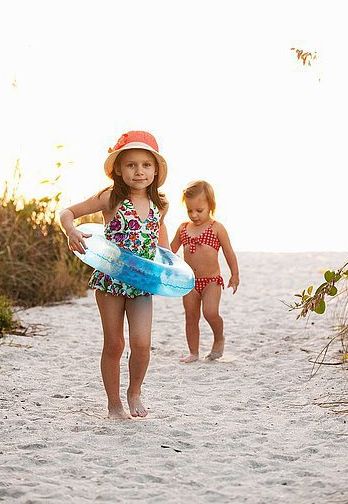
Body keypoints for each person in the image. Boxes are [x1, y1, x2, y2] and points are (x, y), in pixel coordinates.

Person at [59, 131, 169, 419]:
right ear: (119, 169)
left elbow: (161, 239)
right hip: (110, 279)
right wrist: (71, 231)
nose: (139, 171)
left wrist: (170, 265)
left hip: (142, 282)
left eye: (146, 165)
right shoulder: (110, 198)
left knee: (142, 343)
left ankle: (134, 392)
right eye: (131, 164)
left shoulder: (160, 204)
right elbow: (67, 212)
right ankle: (113, 403)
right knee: (115, 342)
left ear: (155, 170)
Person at [170, 180, 239, 363]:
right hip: (189, 282)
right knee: (191, 317)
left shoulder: (216, 228)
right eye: (189, 210)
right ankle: (193, 352)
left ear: (211, 205)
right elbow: (170, 251)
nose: (194, 215)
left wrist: (235, 274)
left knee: (210, 312)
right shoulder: (183, 228)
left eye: (199, 210)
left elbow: (228, 252)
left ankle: (219, 338)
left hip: (211, 281)